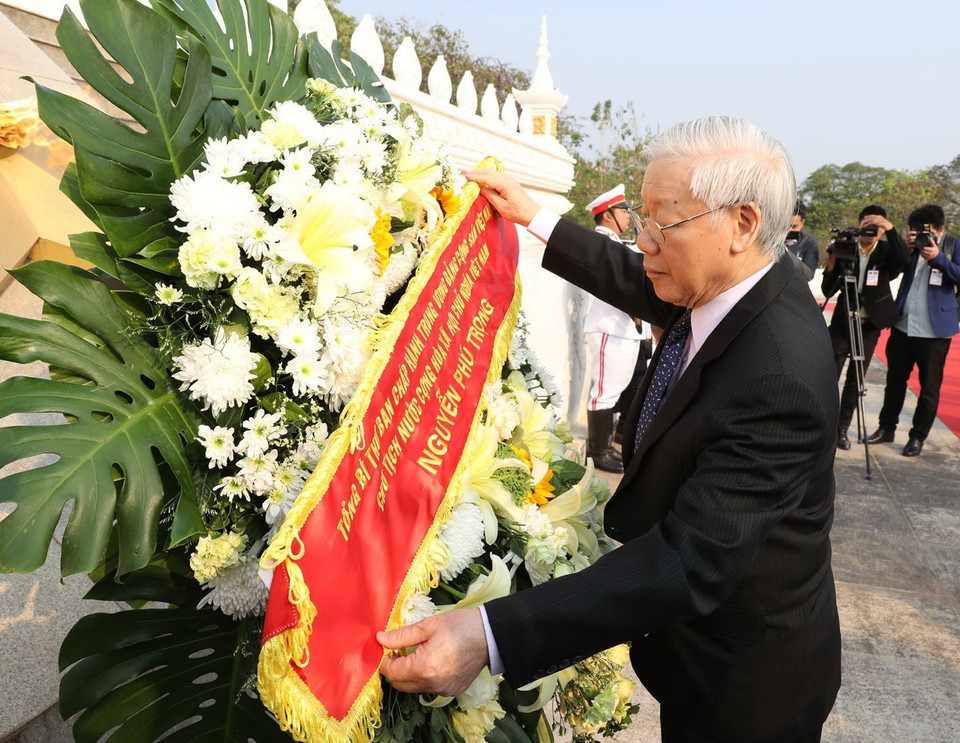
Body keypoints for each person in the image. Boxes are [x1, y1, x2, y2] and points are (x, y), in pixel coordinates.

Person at [379, 117, 841, 743]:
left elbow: (689, 561)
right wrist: (535, 217)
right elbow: (634, 277)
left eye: (663, 224)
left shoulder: (778, 376)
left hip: (744, 684)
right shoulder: (732, 280)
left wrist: (489, 634)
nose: (643, 241)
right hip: (695, 652)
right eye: (642, 219)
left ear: (741, 223)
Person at [867, 204, 960, 456]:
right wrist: (904, 251)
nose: (921, 236)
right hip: (903, 326)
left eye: (926, 231)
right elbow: (891, 273)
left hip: (934, 332)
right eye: (916, 231)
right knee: (894, 382)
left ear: (941, 229)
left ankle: (917, 437)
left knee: (929, 390)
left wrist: (938, 258)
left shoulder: (953, 246)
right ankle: (886, 428)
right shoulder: (911, 247)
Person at [820, 205, 908, 449]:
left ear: (882, 230)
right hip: (842, 325)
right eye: (866, 226)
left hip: (869, 325)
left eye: (876, 227)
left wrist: (890, 228)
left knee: (854, 380)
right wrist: (832, 263)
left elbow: (904, 259)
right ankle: (822, 426)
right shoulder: (846, 248)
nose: (870, 231)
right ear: (859, 226)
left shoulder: (887, 251)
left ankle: (841, 429)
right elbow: (827, 290)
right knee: (829, 375)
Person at [581, 184, 644, 472]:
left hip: (621, 327)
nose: (628, 215)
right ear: (607, 215)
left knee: (614, 389)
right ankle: (598, 451)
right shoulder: (603, 242)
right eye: (623, 210)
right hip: (609, 325)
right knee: (604, 391)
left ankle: (604, 446)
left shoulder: (614, 242)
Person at [785, 199, 820, 280]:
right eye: (784, 226)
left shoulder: (809, 241)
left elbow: (808, 274)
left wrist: (784, 251)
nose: (789, 230)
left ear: (802, 222)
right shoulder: (769, 240)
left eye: (794, 226)